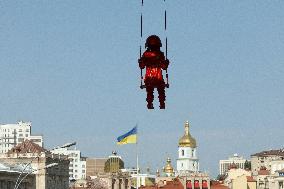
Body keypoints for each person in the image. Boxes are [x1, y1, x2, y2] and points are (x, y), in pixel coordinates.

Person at [138, 35, 169, 109]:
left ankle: (149, 104)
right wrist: (166, 62)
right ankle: (162, 104)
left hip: (149, 78)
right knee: (161, 90)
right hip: (158, 78)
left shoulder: (145, 55)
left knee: (149, 91)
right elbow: (164, 67)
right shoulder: (160, 54)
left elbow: (141, 66)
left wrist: (141, 61)